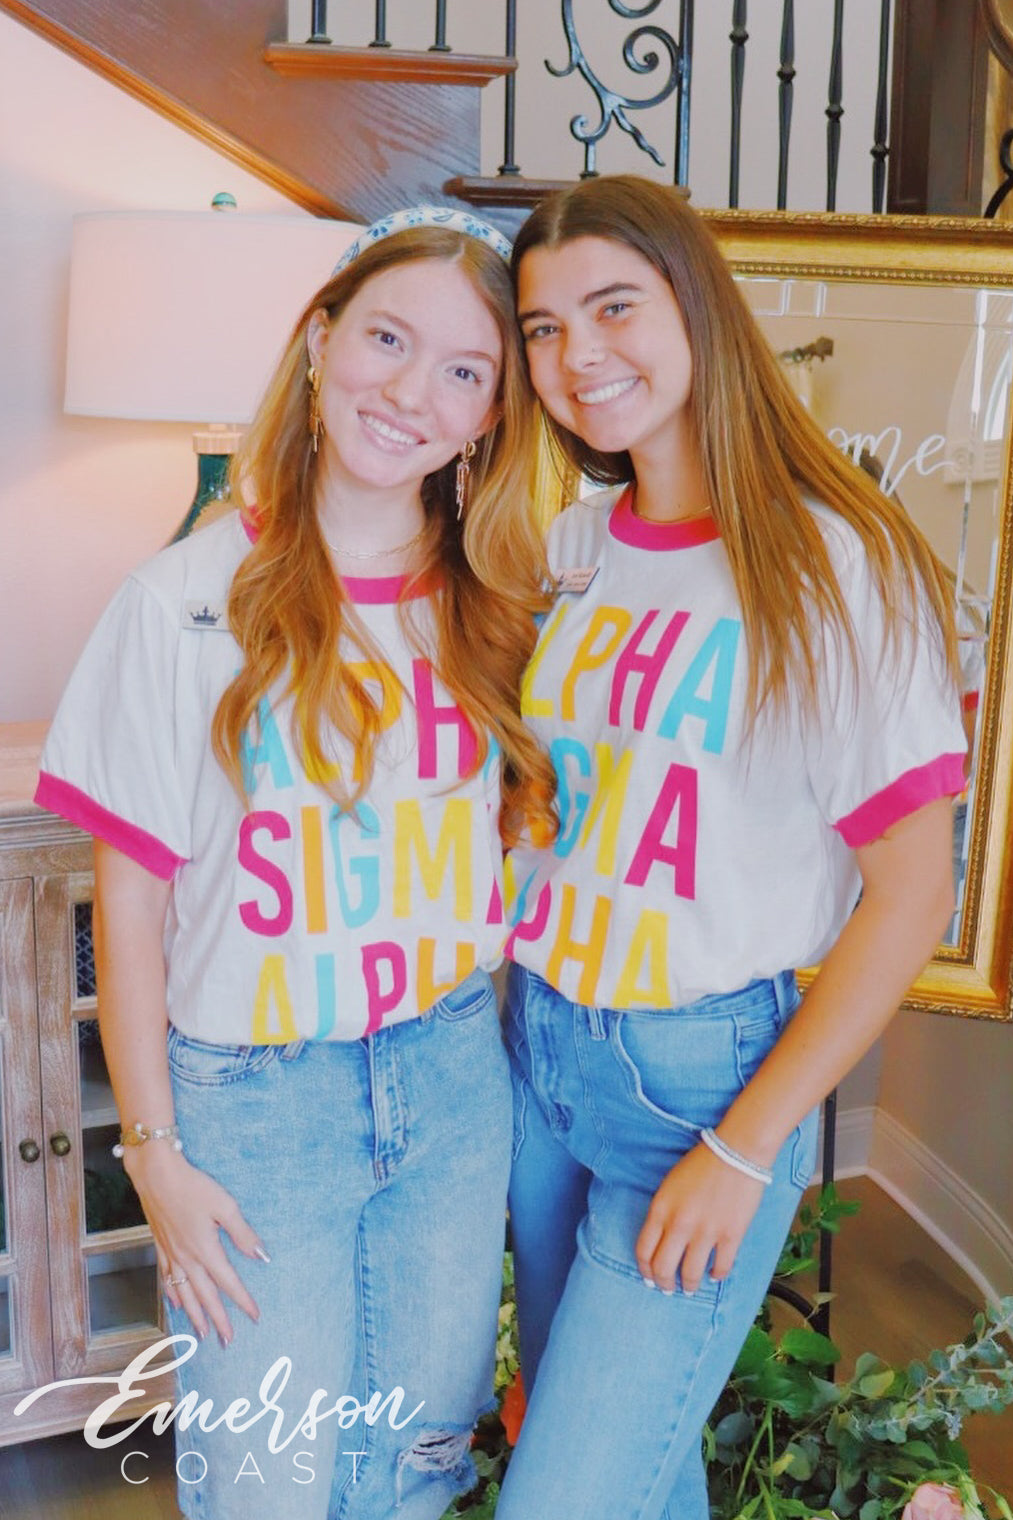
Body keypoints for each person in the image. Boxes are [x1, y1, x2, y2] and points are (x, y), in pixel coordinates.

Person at [34, 206, 556, 1520]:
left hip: (451, 1075)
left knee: (419, 1462)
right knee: (266, 1478)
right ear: (320, 341)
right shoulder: (182, 603)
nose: (412, 392)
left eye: (464, 369)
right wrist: (154, 1158)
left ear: (490, 413)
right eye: (387, 339)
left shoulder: (501, 605)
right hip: (258, 1107)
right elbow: (131, 909)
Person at [494, 176, 966, 1520]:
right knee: (631, 1480)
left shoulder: (837, 561)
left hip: (701, 1083)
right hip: (540, 1051)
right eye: (542, 328)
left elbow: (909, 893)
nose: (576, 355)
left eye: (612, 307)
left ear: (698, 304)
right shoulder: (571, 549)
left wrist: (748, 1149)